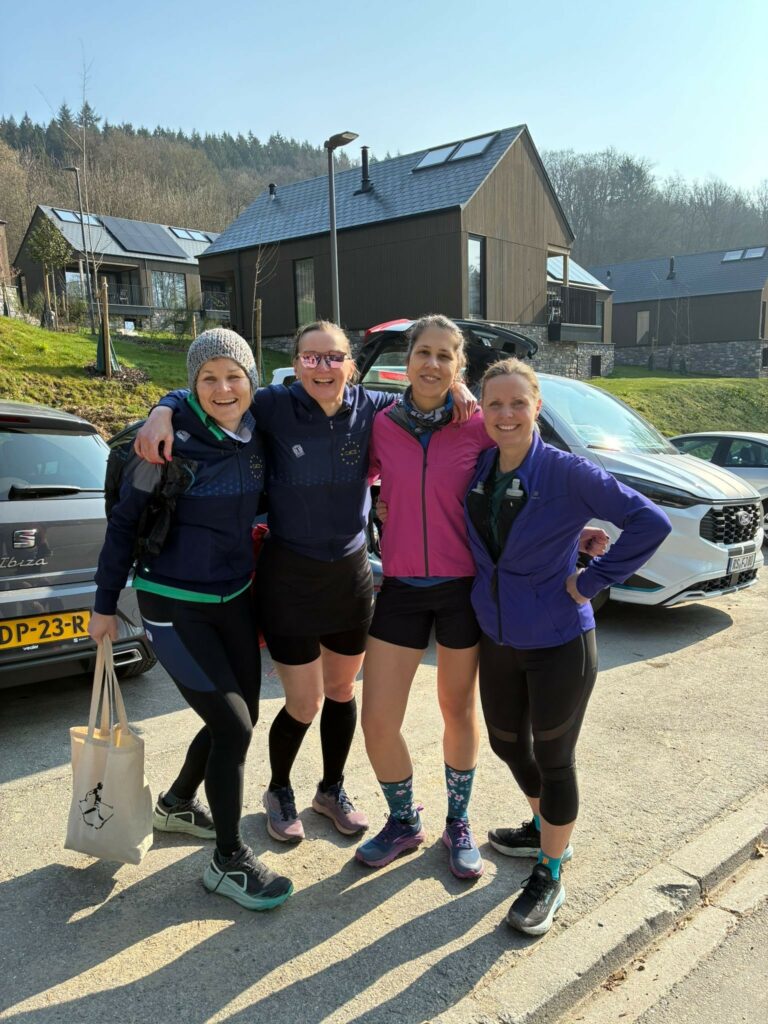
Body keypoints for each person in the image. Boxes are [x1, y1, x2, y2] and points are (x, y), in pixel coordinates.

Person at [133, 321, 476, 847]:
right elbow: (212, 391)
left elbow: (425, 395)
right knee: (304, 703)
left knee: (341, 692)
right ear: (295, 364)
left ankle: (331, 790)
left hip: (350, 577)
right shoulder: (271, 405)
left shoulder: (376, 408)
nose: (323, 367)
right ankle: (279, 790)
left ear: (350, 365)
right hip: (288, 576)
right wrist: (162, 407)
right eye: (311, 357)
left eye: (333, 357)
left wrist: (459, 388)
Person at [465, 358, 672, 936]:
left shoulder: (566, 470)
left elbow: (650, 521)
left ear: (537, 407)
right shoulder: (482, 466)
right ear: (483, 410)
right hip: (498, 636)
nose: (506, 414)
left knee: (555, 760)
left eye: (518, 403)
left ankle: (551, 870)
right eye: (494, 403)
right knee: (508, 744)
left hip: (560, 640)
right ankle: (543, 828)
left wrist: (592, 579)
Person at [89, 328, 293, 912]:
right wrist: (105, 605)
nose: (223, 388)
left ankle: (177, 803)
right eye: (208, 378)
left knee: (241, 716)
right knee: (233, 728)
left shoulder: (256, 434)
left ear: (251, 380)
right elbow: (123, 525)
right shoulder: (163, 443)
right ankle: (228, 861)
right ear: (192, 384)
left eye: (234, 376)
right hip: (172, 603)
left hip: (235, 598)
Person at [356, 314, 493, 879]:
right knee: (377, 719)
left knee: (457, 711)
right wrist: (376, 506)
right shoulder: (382, 424)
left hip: (461, 589)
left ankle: (457, 822)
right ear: (407, 360)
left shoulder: (479, 424)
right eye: (423, 353)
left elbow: (531, 468)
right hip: (402, 586)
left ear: (459, 366)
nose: (432, 364)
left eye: (444, 355)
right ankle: (403, 819)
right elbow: (356, 479)